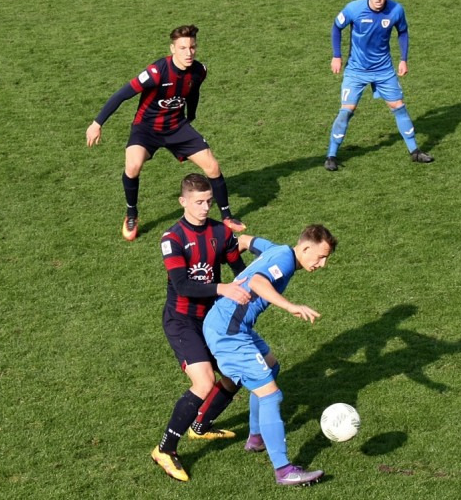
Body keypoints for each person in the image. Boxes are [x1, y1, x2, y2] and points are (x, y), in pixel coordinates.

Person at [203, 225, 338, 486]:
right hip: (228, 332)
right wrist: (290, 306)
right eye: (321, 257)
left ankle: (256, 438)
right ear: (305, 248)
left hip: (233, 325)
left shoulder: (278, 250)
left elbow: (246, 240)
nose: (322, 264)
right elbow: (257, 281)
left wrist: (228, 253)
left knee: (270, 367)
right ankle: (284, 470)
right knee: (271, 395)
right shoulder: (284, 261)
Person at [86, 24, 246, 241]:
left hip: (176, 126)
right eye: (183, 48)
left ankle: (227, 216)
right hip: (146, 128)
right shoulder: (156, 72)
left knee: (212, 166)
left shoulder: (199, 70)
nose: (188, 53)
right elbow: (122, 94)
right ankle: (131, 214)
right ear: (172, 49)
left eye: (192, 47)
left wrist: (191, 116)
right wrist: (97, 123)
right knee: (132, 166)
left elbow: (193, 92)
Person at [150, 173, 252, 483]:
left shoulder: (220, 232)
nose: (205, 207)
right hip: (181, 321)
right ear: (183, 202)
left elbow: (239, 269)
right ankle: (165, 449)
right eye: (199, 202)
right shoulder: (172, 238)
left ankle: (201, 425)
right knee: (205, 381)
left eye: (209, 201)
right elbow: (182, 285)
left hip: (212, 319)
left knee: (237, 371)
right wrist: (222, 288)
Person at [324, 0, 433, 171]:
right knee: (346, 111)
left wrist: (403, 59)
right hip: (356, 70)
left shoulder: (396, 10)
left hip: (384, 70)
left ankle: (415, 151)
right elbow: (336, 27)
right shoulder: (354, 9)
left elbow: (403, 31)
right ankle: (331, 155)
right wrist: (336, 55)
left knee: (399, 106)